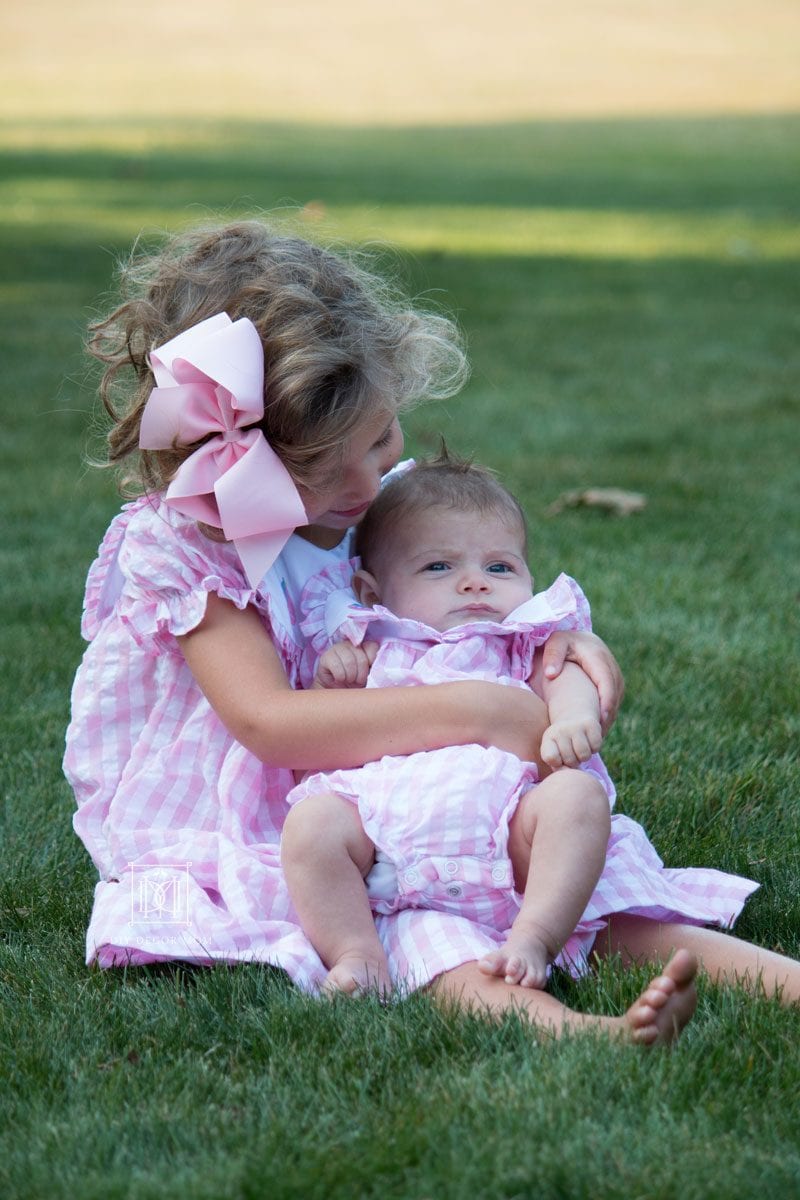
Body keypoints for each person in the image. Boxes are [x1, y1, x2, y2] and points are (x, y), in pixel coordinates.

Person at [63, 217, 800, 1047]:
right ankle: (582, 1031)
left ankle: (782, 981)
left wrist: (557, 643)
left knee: (599, 897)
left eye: (380, 438)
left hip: (464, 795)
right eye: (326, 466)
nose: (368, 480)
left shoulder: (384, 500)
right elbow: (269, 724)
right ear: (244, 457)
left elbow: (475, 597)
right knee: (427, 938)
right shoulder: (198, 547)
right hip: (315, 820)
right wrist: (482, 712)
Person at [281, 452, 760, 1006]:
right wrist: (332, 689)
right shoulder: (369, 650)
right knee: (312, 822)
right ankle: (356, 953)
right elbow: (316, 755)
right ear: (371, 592)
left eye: (499, 568)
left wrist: (575, 715)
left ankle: (535, 936)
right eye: (438, 567)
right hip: (394, 858)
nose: (473, 585)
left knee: (576, 796)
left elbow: (564, 675)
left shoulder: (523, 639)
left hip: (515, 840)